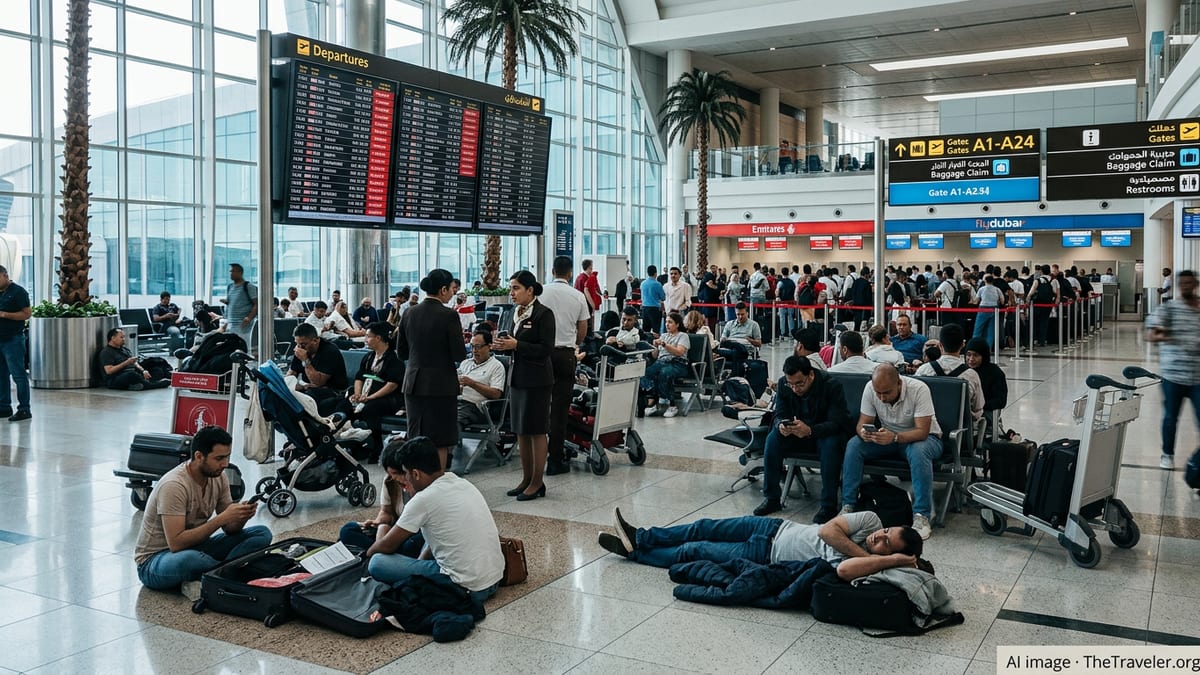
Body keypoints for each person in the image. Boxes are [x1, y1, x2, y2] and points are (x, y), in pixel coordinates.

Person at [599, 506, 922, 582]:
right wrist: (866, 550)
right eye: (887, 530)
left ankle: (636, 553)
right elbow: (827, 532)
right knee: (703, 526)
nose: (878, 536)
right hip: (773, 526)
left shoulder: (869, 567)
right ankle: (642, 536)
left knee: (693, 551)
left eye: (884, 543)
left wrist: (884, 560)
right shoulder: (870, 521)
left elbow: (845, 570)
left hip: (764, 554)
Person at [365, 436, 504, 603]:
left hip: (465, 587)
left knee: (377, 563)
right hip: (494, 579)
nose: (406, 479)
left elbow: (386, 546)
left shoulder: (423, 499)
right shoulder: (462, 483)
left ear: (415, 473)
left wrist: (367, 555)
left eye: (407, 474)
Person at [134, 426, 273, 592]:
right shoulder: (174, 485)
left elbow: (230, 529)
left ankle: (219, 574)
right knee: (189, 559)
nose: (225, 464)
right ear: (199, 456)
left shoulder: (219, 476)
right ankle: (229, 573)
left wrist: (241, 516)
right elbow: (176, 544)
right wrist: (221, 518)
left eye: (227, 457)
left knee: (262, 533)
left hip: (198, 547)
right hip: (156, 561)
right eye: (219, 458)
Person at [841, 365, 942, 540]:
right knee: (854, 445)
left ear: (899, 383)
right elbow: (862, 422)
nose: (881, 397)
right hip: (888, 437)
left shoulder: (918, 389)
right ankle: (848, 505)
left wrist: (894, 437)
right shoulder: (871, 388)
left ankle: (921, 516)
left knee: (919, 451)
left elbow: (922, 431)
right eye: (878, 393)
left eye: (886, 393)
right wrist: (863, 432)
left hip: (924, 439)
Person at [756, 356, 851, 522]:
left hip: (823, 434)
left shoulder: (831, 386)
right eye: (791, 384)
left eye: (799, 384)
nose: (795, 389)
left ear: (811, 375)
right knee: (773, 438)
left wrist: (810, 431)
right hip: (796, 433)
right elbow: (779, 414)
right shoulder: (784, 385)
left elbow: (838, 423)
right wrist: (781, 425)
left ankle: (828, 505)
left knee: (831, 444)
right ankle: (772, 498)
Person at [492, 270, 555, 501]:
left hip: (538, 379)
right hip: (517, 377)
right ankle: (526, 478)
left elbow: (546, 349)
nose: (512, 293)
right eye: (511, 288)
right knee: (521, 429)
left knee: (536, 429)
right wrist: (503, 346)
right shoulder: (514, 313)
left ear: (530, 290)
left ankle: (538, 482)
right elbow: (513, 344)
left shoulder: (543, 314)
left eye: (516, 288)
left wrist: (517, 344)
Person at [396, 269, 468, 471]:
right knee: (441, 438)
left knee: (416, 434)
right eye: (451, 289)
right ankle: (437, 483)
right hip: (440, 384)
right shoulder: (448, 315)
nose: (453, 293)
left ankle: (414, 481)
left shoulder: (409, 312)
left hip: (413, 383)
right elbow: (459, 354)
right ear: (443, 289)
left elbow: (401, 352)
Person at [535, 257, 589, 475]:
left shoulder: (539, 293)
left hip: (540, 356)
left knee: (538, 406)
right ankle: (555, 459)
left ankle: (534, 457)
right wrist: (574, 344)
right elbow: (583, 328)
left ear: (552, 270)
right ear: (569, 273)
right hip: (565, 355)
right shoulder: (577, 296)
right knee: (559, 409)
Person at [1146, 270, 1200, 469]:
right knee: (1170, 417)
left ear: (1195, 284)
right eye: (1182, 283)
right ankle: (1167, 454)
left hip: (1198, 377)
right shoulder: (1169, 309)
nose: (1186, 286)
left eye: (1189, 282)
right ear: (1178, 285)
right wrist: (1169, 336)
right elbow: (1152, 334)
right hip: (1173, 375)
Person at [349, 322, 404, 462]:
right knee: (346, 404)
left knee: (370, 408)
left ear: (378, 338)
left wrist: (369, 398)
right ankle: (354, 443)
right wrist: (358, 394)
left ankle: (376, 444)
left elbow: (392, 385)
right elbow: (359, 377)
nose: (365, 339)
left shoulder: (394, 359)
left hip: (390, 398)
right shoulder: (368, 357)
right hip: (368, 395)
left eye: (368, 336)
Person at [915, 322, 983, 422]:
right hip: (959, 431)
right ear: (963, 345)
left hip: (928, 428)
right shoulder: (971, 375)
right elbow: (977, 408)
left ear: (939, 345)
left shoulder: (923, 371)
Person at [287, 322, 350, 416]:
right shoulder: (300, 348)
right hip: (309, 388)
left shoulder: (330, 351)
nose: (300, 348)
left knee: (305, 400)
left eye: (303, 344)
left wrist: (305, 360)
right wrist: (289, 386)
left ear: (315, 340)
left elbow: (318, 382)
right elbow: (291, 374)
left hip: (332, 390)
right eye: (297, 344)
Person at [640, 312, 690, 418]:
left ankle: (671, 404)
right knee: (646, 372)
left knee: (665, 373)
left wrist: (664, 345)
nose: (667, 324)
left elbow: (679, 352)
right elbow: (655, 356)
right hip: (661, 362)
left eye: (670, 322)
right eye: (666, 322)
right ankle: (654, 398)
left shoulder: (683, 336)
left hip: (678, 363)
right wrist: (655, 347)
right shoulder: (663, 336)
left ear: (677, 324)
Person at [457, 329, 506, 429]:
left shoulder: (496, 366)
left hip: (474, 407)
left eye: (478, 347)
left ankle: (447, 443)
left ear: (489, 346)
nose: (474, 350)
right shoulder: (465, 363)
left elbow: (496, 394)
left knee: (452, 421)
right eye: (472, 346)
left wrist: (472, 383)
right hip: (455, 402)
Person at [99, 328, 171, 391]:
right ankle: (154, 385)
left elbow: (135, 363)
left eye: (124, 337)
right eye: (121, 337)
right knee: (132, 375)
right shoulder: (106, 352)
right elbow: (109, 371)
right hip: (116, 378)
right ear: (113, 338)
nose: (124, 339)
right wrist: (126, 363)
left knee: (156, 368)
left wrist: (143, 371)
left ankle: (142, 384)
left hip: (134, 372)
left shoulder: (125, 350)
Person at [965, 337, 1008, 440]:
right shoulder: (963, 371)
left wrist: (979, 406)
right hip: (966, 410)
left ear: (984, 356)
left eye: (976, 355)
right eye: (968, 354)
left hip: (985, 411)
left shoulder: (995, 373)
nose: (971, 359)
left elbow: (1001, 401)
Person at [716, 302, 762, 377]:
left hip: (745, 348)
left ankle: (733, 375)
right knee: (717, 351)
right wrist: (724, 339)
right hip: (731, 347)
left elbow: (759, 343)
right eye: (738, 314)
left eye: (742, 314)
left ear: (747, 313)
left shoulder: (754, 325)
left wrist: (750, 340)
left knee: (737, 350)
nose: (740, 317)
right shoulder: (729, 324)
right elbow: (722, 339)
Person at [221, 263, 257, 349]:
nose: (231, 273)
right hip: (231, 326)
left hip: (244, 327)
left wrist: (249, 318)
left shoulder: (248, 286)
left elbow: (257, 304)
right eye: (230, 271)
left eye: (233, 271)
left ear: (240, 272)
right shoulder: (230, 287)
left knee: (244, 350)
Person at [972, 274, 1004, 349]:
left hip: (983, 309)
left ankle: (974, 347)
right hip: (994, 309)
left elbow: (976, 301)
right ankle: (988, 349)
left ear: (985, 280)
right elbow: (1002, 301)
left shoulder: (982, 289)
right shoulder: (997, 289)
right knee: (991, 331)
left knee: (978, 329)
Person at [573, 258, 602, 331]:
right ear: (589, 267)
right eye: (591, 267)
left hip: (579, 303)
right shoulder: (585, 278)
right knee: (587, 323)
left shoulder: (579, 278)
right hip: (585, 304)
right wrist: (593, 305)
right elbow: (586, 292)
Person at [639, 265, 665, 334]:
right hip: (655, 309)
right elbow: (663, 297)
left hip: (645, 308)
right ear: (656, 273)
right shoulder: (658, 284)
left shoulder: (643, 283)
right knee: (656, 330)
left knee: (646, 330)